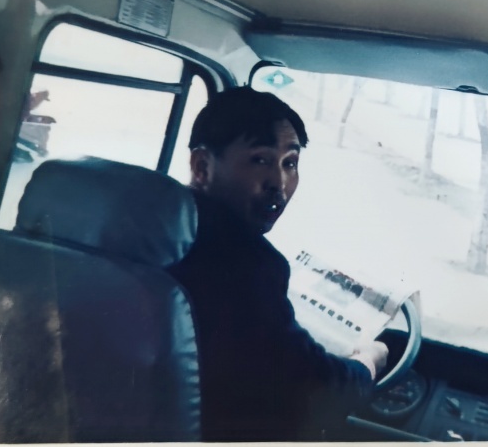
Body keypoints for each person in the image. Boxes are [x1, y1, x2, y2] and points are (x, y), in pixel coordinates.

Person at [166, 87, 388, 441]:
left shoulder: (158, 230)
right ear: (202, 166)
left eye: (290, 163)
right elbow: (316, 390)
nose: (280, 184)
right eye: (260, 160)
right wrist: (368, 362)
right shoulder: (248, 263)